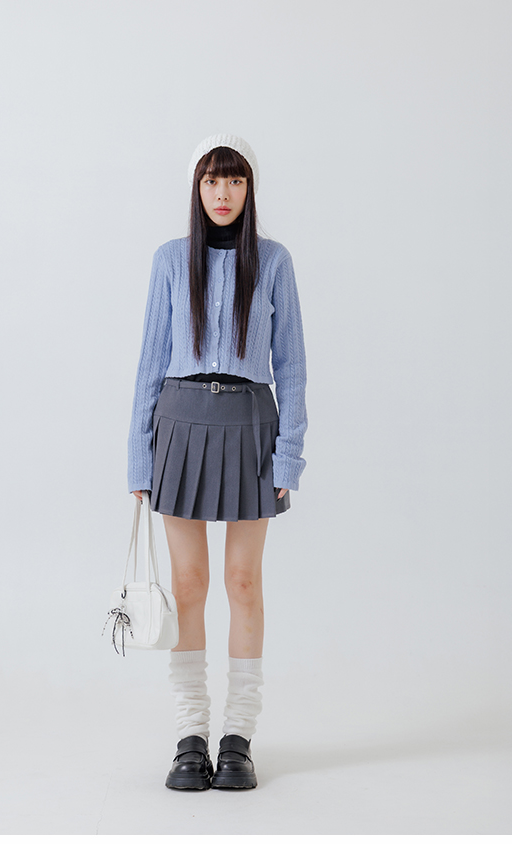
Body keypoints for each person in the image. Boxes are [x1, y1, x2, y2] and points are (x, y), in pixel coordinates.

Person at [127, 133, 307, 790]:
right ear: (196, 188)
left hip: (251, 427)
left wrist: (289, 457)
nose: (223, 193)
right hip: (179, 426)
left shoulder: (274, 261)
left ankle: (238, 737)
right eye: (211, 180)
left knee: (243, 582)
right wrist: (138, 460)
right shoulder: (171, 260)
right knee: (189, 585)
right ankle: (190, 735)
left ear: (249, 188)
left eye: (234, 180)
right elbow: (150, 363)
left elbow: (291, 365)